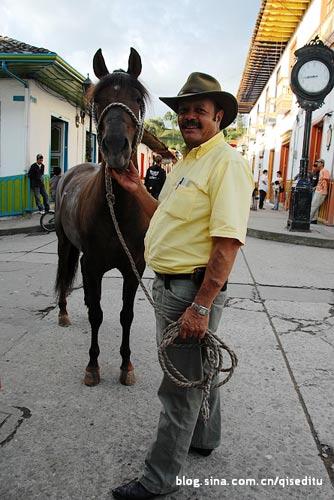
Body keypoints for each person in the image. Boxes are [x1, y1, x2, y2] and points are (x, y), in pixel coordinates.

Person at [111, 72, 254, 499]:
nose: (190, 117)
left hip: (190, 293)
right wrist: (137, 190)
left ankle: (158, 480)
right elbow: (165, 217)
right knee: (198, 373)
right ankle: (205, 438)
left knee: (179, 389)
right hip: (171, 288)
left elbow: (227, 243)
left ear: (220, 116)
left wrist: (202, 305)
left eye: (200, 111)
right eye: (185, 110)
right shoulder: (186, 163)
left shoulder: (226, 164)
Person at [310, 159, 330, 224]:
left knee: (313, 205)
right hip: (318, 190)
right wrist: (316, 187)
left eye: (318, 162)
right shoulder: (321, 171)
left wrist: (322, 188)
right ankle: (313, 219)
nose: (317, 163)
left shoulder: (325, 171)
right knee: (314, 205)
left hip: (321, 191)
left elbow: (326, 180)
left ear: (322, 163)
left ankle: (308, 219)